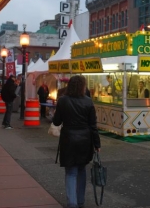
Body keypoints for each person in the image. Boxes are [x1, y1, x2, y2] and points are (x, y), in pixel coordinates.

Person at [52, 75, 101, 208]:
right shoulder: (88, 101)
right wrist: (97, 144)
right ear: (82, 86)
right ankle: (80, 201)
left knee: (71, 172)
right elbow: (93, 125)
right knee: (81, 170)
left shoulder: (63, 101)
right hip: (85, 139)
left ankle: (72, 203)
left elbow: (56, 121)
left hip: (68, 139)